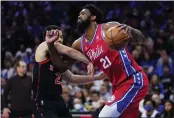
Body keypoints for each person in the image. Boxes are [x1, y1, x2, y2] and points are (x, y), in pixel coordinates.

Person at [54, 4, 149, 118]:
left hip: (133, 79)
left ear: (93, 17)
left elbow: (141, 40)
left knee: (104, 116)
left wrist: (132, 31)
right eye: (79, 14)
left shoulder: (109, 28)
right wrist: (50, 50)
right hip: (117, 87)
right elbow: (63, 67)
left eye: (83, 13)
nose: (79, 16)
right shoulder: (79, 44)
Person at [32, 25, 106, 118]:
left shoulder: (58, 61)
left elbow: (72, 78)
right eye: (56, 36)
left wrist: (96, 77)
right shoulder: (43, 46)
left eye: (61, 37)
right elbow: (69, 51)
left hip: (58, 100)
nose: (59, 40)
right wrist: (88, 61)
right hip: (43, 101)